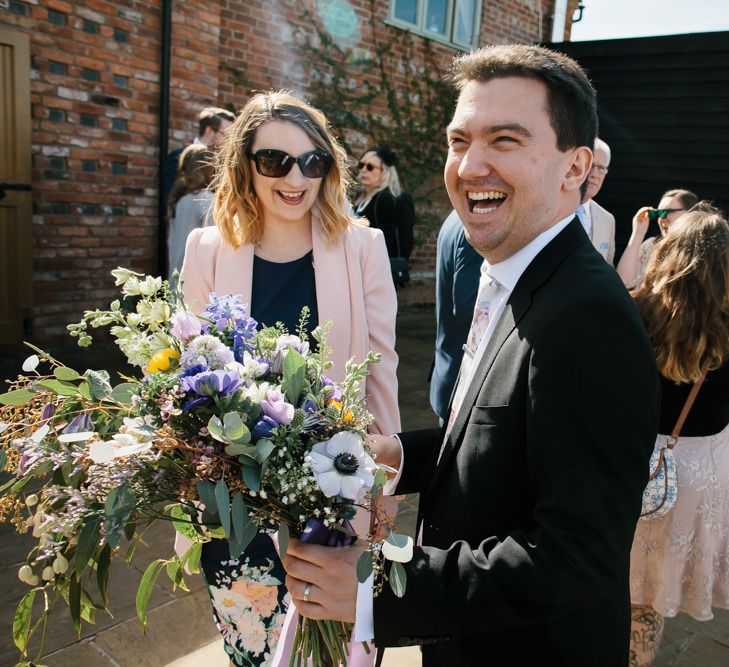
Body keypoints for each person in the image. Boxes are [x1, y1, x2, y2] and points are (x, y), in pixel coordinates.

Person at [280, 44, 660, 666]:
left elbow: (577, 558)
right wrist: (401, 455)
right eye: (460, 141)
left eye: (505, 140)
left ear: (575, 169)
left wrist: (375, 589)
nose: (470, 165)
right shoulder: (514, 273)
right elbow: (499, 442)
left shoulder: (588, 319)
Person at [179, 91, 400, 667]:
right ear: (245, 166)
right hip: (236, 508)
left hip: (333, 502)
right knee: (253, 650)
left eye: (313, 161)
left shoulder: (362, 247)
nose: (295, 177)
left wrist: (386, 480)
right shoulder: (206, 249)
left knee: (338, 654)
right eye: (275, 161)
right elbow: (189, 375)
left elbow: (381, 370)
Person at [628, 204, 729, 667]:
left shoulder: (636, 309)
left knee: (618, 578)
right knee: (650, 597)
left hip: (634, 462)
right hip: (699, 472)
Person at [428, 209, 481, 424]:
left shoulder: (454, 217)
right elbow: (470, 310)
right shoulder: (477, 228)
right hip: (463, 380)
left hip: (448, 367)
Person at [352, 146, 414, 280]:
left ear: (384, 172)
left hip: (378, 272)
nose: (363, 170)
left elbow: (400, 238)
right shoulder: (360, 198)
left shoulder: (386, 198)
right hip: (359, 267)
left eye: (370, 167)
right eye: (361, 165)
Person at [616, 188, 698, 288]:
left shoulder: (700, 250)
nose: (662, 218)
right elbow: (622, 281)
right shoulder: (650, 245)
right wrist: (638, 233)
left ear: (690, 213)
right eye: (658, 213)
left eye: (668, 211)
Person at [162, 106, 236, 205]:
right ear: (209, 131)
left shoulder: (224, 162)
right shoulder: (178, 156)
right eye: (226, 134)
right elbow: (169, 199)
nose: (229, 140)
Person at [167, 144, 215, 280]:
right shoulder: (208, 199)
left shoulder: (177, 199)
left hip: (175, 278)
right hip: (197, 282)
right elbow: (214, 246)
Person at [576, 137, 616, 263]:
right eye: (591, 165)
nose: (594, 174)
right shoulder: (550, 209)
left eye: (601, 168)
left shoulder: (607, 220)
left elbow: (607, 268)